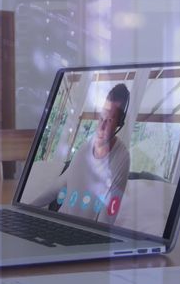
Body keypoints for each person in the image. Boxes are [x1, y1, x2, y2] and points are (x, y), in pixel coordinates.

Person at [26, 84, 131, 224]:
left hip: (83, 234)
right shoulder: (86, 146)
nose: (102, 126)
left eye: (110, 120)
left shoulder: (122, 158)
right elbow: (61, 182)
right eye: (102, 117)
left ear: (119, 123)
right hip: (58, 224)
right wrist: (28, 208)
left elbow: (108, 217)